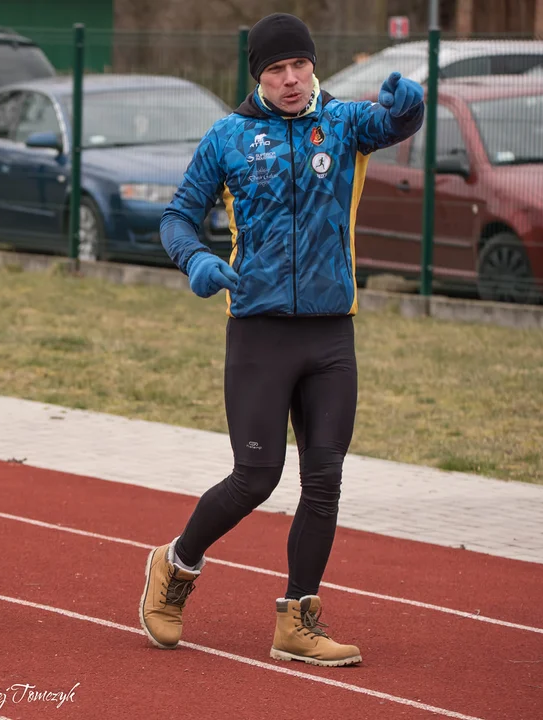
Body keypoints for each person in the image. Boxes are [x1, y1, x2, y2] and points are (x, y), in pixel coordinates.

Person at [140, 13, 424, 666]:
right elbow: (178, 214)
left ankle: (297, 617)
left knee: (323, 479)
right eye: (275, 70)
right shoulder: (228, 137)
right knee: (256, 476)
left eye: (298, 66)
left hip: (330, 334)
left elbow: (393, 125)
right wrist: (197, 261)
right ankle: (175, 566)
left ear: (312, 66)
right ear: (258, 77)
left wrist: (409, 107)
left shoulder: (345, 122)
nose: (290, 80)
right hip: (259, 331)